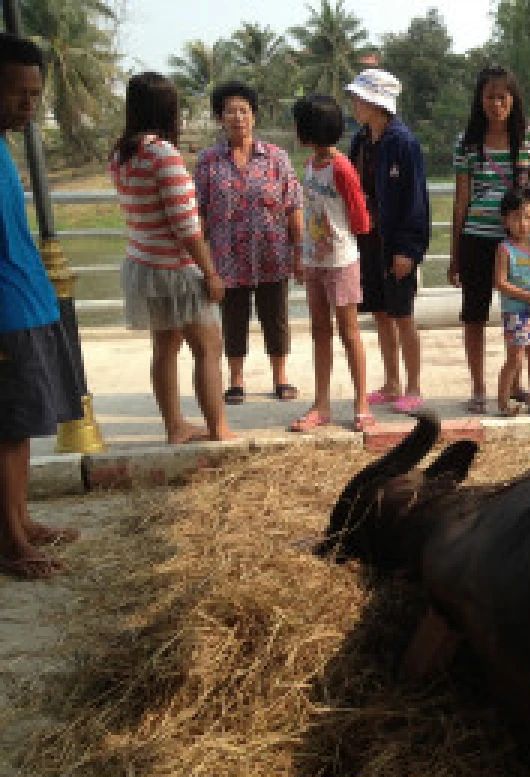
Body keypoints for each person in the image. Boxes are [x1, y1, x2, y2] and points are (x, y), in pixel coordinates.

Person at [109, 72, 234, 445]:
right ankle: (218, 427)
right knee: (208, 347)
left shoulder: (122, 153)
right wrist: (210, 272)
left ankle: (175, 427)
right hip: (175, 269)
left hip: (143, 262)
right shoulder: (162, 153)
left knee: (164, 348)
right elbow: (186, 225)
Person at [0, 34, 84, 579]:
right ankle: (10, 542)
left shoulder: (4, 147)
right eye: (16, 93)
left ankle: (20, 520)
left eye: (34, 94)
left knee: (22, 426)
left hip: (27, 306)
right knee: (6, 431)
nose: (27, 105)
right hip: (5, 314)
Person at [194, 81, 303, 405]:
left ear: (254, 116)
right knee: (233, 319)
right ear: (220, 118)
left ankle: (280, 376)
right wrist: (199, 260)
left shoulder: (276, 158)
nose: (238, 117)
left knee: (276, 317)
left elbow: (293, 206)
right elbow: (197, 211)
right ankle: (236, 379)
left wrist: (299, 252)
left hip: (272, 253)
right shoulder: (208, 161)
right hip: (227, 257)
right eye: (230, 111)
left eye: (244, 110)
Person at [449, 65, 530, 414]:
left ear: (513, 100)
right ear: (480, 99)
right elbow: (460, 199)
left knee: (516, 313)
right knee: (474, 314)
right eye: (489, 97)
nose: (496, 104)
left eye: (502, 97)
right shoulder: (467, 142)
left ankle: (515, 382)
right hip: (476, 237)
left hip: (516, 242)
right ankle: (479, 387)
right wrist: (455, 252)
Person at [347, 69, 430, 413]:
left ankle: (413, 385)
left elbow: (416, 200)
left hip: (396, 242)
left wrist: (408, 249)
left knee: (403, 315)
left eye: (359, 99)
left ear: (375, 103)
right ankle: (392, 382)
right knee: (381, 313)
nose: (354, 105)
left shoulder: (403, 143)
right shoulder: (362, 141)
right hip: (369, 241)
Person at [288, 95, 373, 433]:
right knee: (320, 331)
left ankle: (361, 403)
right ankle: (320, 405)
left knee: (349, 332)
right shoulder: (311, 164)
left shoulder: (341, 168)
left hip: (340, 262)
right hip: (314, 261)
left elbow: (361, 220)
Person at [494, 189, 530, 415]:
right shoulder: (505, 248)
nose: (522, 223)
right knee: (516, 357)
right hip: (516, 312)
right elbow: (500, 282)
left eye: (528, 217)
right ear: (505, 220)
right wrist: (529, 297)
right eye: (516, 217)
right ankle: (503, 401)